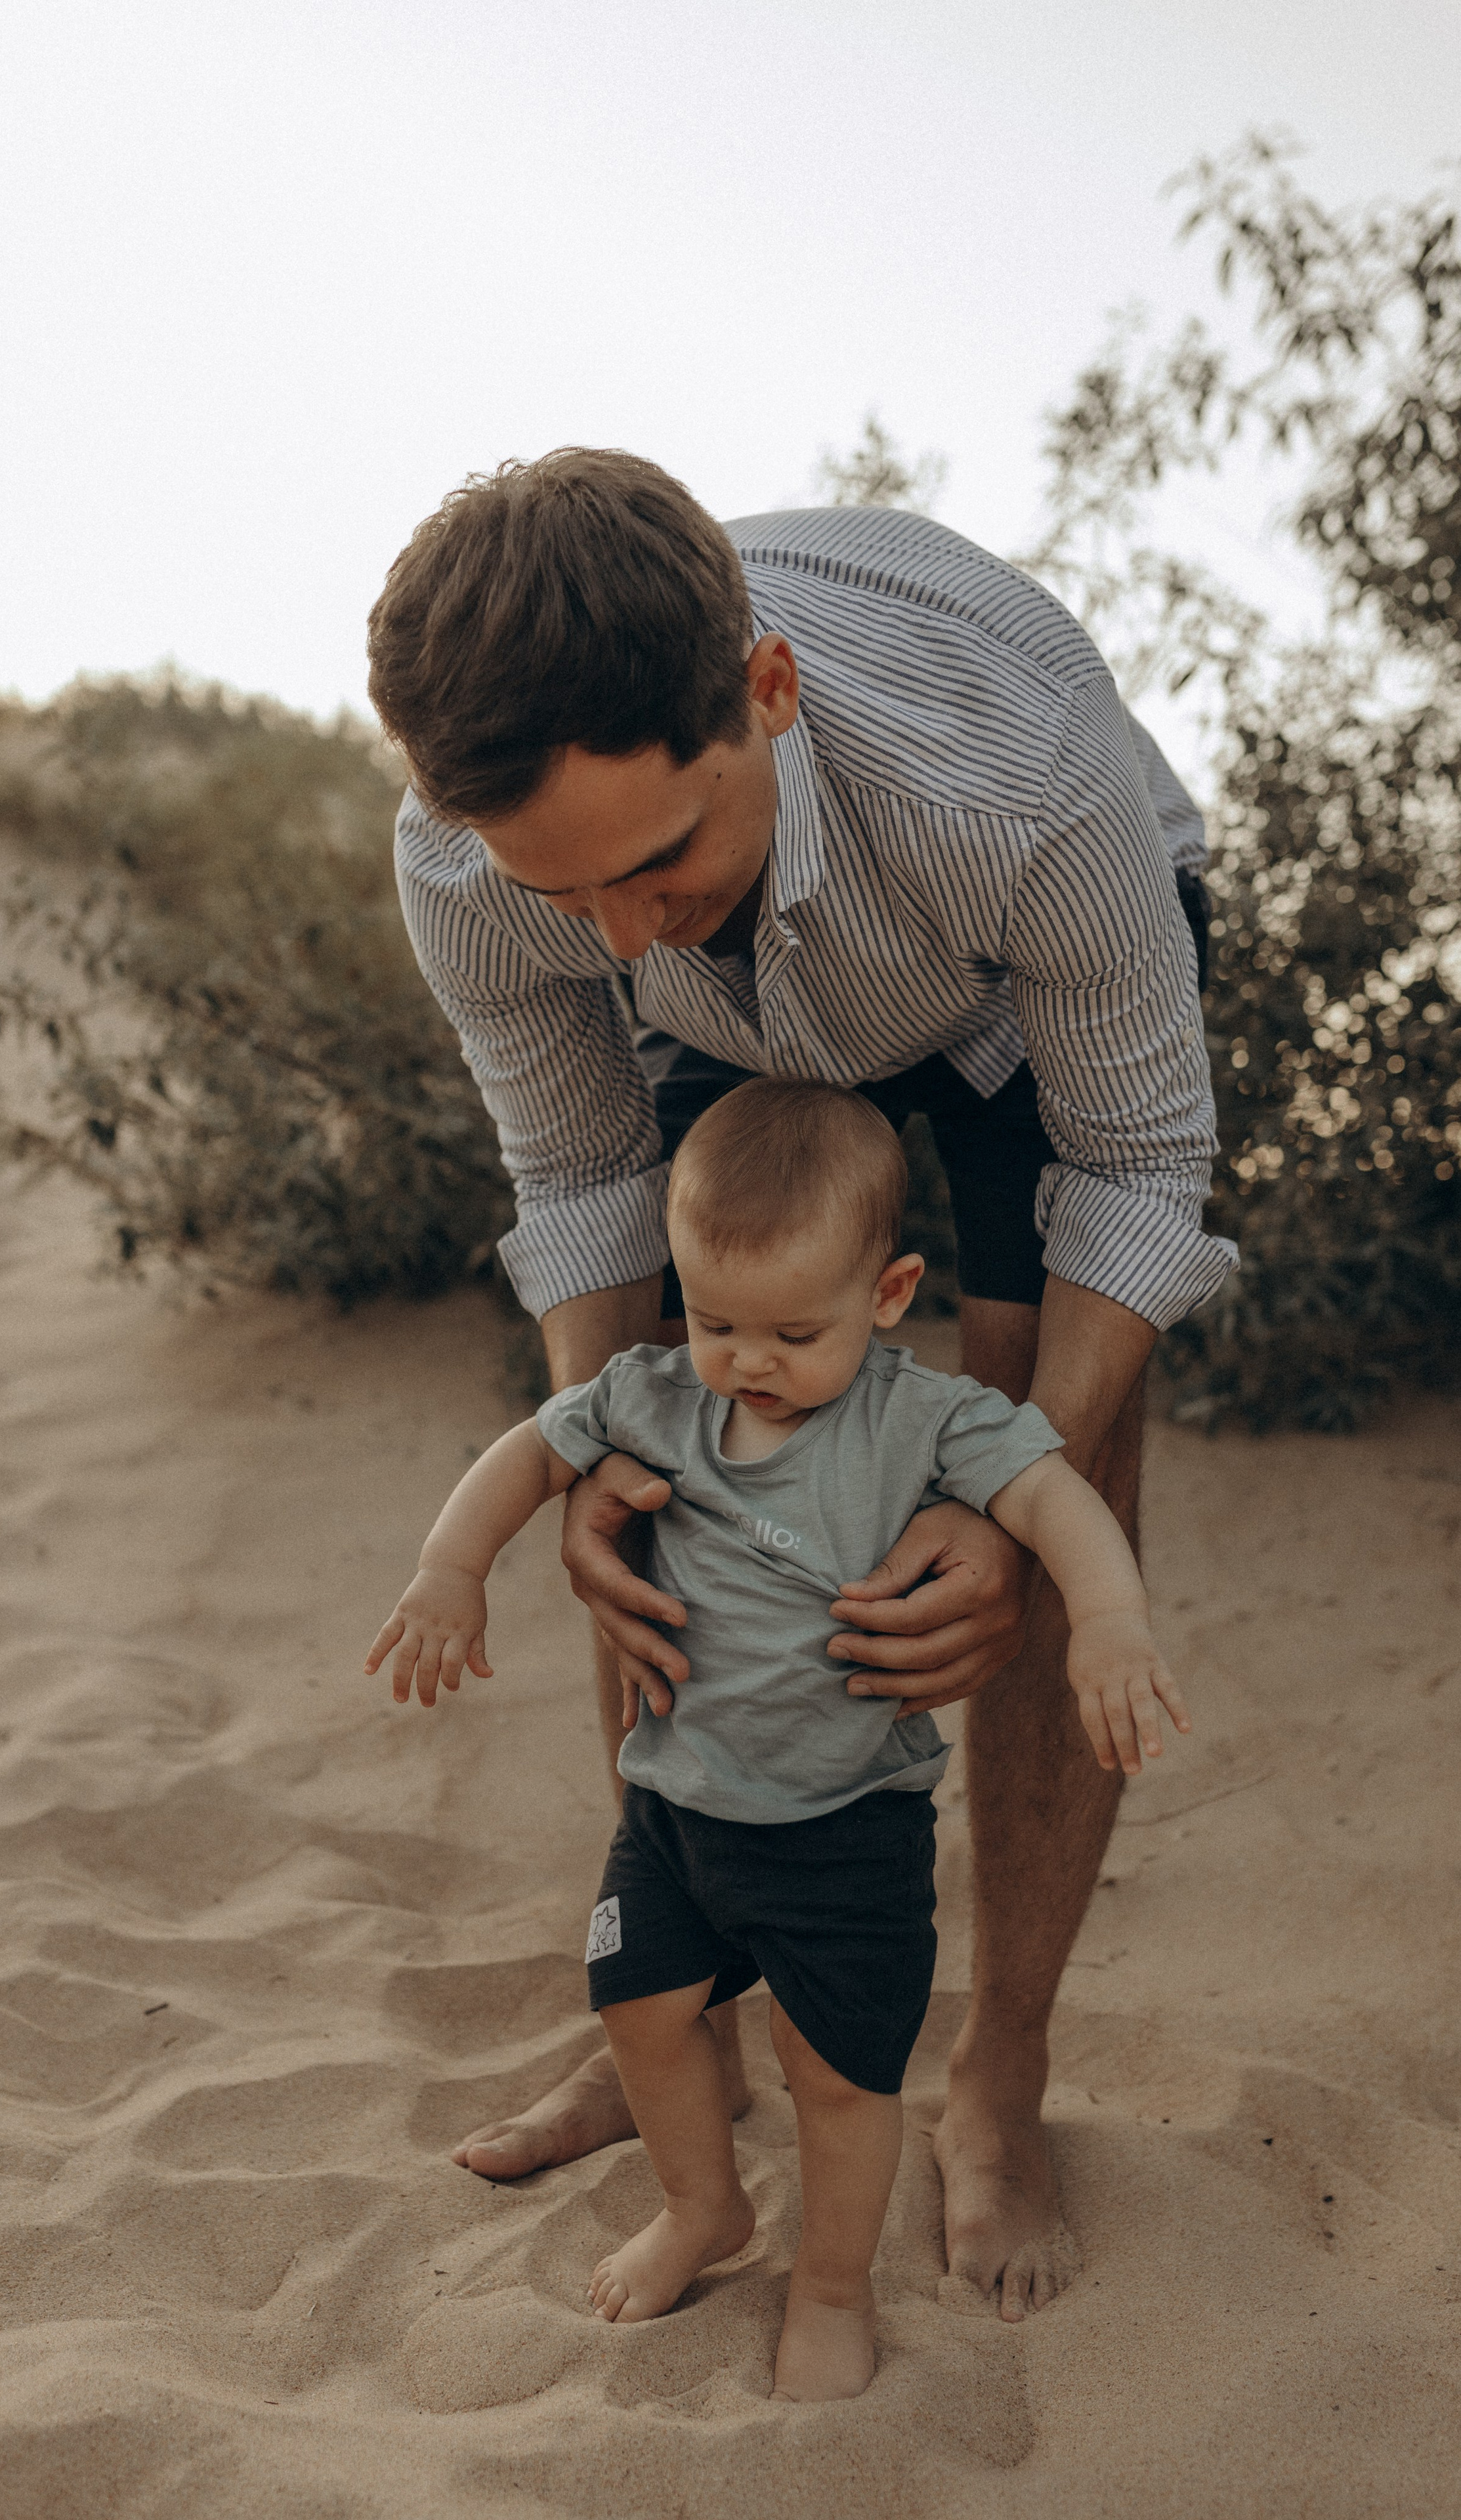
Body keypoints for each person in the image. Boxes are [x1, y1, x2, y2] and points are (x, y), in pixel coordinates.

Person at [366, 448, 1233, 2322]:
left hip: (1008, 983)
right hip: (740, 1024)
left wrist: (1006, 1512)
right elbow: (584, 1191)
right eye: (557, 887)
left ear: (762, 693)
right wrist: (608, 1464)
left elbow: (1144, 1179)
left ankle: (1000, 2072)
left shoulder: (1011, 762)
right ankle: (663, 2016)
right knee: (668, 1462)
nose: (608, 931)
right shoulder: (493, 866)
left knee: (1017, 1465)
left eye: (654, 856)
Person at [366, 1082, 1189, 2400]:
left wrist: (1104, 1617)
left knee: (834, 2075)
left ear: (886, 1292)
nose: (747, 1360)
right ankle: (702, 2210)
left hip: (842, 1836)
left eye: (791, 1330)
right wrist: (448, 1568)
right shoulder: (654, 1398)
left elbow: (1051, 1492)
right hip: (674, 1816)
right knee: (636, 2008)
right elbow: (528, 1451)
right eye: (714, 1321)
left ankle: (828, 2282)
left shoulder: (923, 1421)